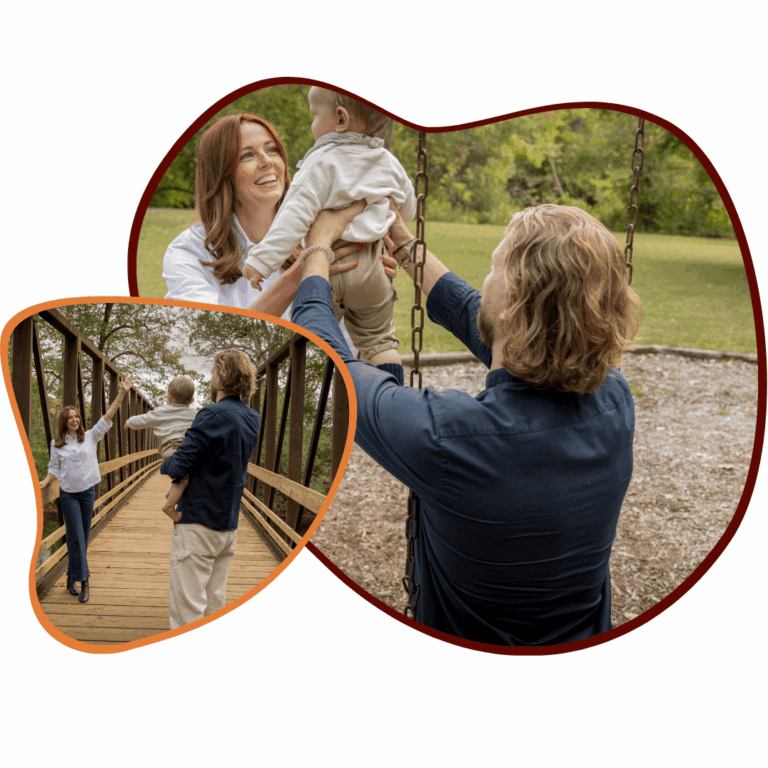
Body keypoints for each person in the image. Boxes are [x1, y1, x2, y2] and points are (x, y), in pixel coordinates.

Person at [290, 201, 643, 646]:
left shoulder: (449, 439)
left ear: (512, 312)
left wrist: (317, 250)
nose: (485, 280)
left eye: (494, 269)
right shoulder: (614, 399)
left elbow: (332, 365)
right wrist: (403, 243)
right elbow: (478, 313)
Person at [160, 112, 397, 356]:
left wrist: (371, 274)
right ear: (221, 173)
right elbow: (210, 347)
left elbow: (354, 340)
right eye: (247, 155)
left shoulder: (322, 229)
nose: (267, 161)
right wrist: (306, 271)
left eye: (272, 150)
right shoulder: (189, 252)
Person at [243, 87, 416, 366]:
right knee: (380, 340)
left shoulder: (320, 161)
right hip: (374, 266)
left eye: (314, 116)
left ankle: (320, 402)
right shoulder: (388, 161)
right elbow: (405, 209)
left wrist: (262, 260)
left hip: (329, 265)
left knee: (317, 341)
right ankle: (390, 394)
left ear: (340, 119)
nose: (313, 124)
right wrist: (378, 222)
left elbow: (293, 217)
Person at [159, 349, 261, 629]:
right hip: (227, 525)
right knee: (214, 602)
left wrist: (165, 464)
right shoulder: (253, 418)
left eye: (215, 371)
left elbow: (180, 464)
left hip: (198, 523)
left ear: (224, 376)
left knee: (187, 609)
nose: (211, 376)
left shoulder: (211, 414)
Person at [39, 375, 134, 604]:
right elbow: (54, 468)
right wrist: (43, 483)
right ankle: (85, 582)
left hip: (88, 492)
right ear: (64, 422)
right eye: (70, 417)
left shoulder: (90, 436)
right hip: (69, 494)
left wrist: (122, 392)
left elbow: (108, 415)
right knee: (77, 537)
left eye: (76, 416)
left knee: (80, 538)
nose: (74, 419)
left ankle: (71, 578)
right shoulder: (57, 444)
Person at [123, 375, 198, 520]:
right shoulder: (196, 414)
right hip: (184, 450)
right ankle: (169, 505)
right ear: (192, 400)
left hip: (167, 450)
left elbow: (143, 420)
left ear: (169, 397)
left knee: (182, 474)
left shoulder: (161, 412)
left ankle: (172, 492)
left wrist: (130, 422)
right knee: (187, 476)